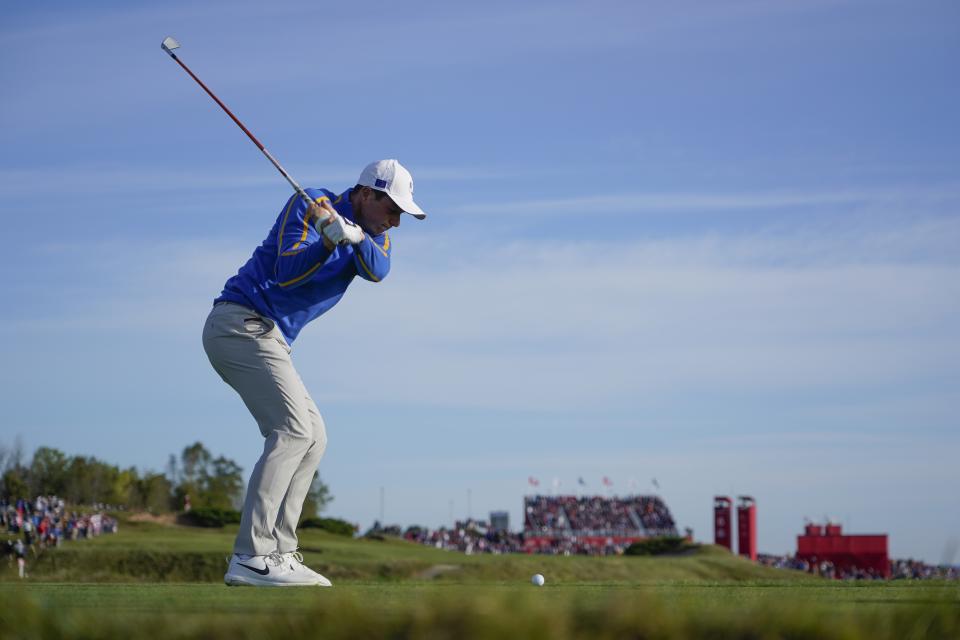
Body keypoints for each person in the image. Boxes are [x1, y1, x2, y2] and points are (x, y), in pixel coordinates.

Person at [203, 159, 426, 587]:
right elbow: (286, 275)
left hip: (269, 338)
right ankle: (251, 554)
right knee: (293, 431)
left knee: (315, 438)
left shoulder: (375, 234)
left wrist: (354, 236)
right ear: (366, 194)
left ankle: (281, 552)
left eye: (401, 214)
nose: (396, 221)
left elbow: (378, 270)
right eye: (392, 209)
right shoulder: (310, 204)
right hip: (239, 324)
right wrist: (325, 242)